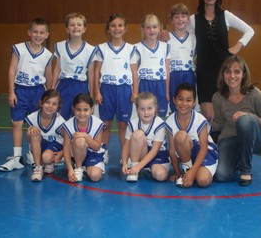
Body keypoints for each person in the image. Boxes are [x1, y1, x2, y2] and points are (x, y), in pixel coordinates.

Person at [161, 0, 254, 121]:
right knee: (208, 115)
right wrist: (164, 37)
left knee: (224, 113)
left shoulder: (226, 16)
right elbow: (179, 30)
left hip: (224, 69)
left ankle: (222, 141)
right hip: (204, 71)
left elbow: (249, 30)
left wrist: (238, 46)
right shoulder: (194, 19)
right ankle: (207, 141)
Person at [0, 17, 53, 172]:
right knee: (17, 123)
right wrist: (11, 91)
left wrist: (49, 98)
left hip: (38, 92)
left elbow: (48, 76)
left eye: (41, 32)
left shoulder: (48, 55)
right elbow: (12, 69)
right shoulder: (19, 48)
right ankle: (16, 157)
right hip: (20, 90)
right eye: (35, 31)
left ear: (46, 35)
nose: (38, 35)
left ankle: (31, 153)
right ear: (29, 32)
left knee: (35, 125)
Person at [211, 55, 261, 186]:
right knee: (221, 175)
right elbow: (220, 124)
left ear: (244, 74)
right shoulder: (217, 97)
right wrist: (200, 124)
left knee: (244, 120)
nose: (232, 76)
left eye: (237, 71)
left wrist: (249, 116)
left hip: (255, 138)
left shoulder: (255, 94)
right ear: (223, 74)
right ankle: (237, 159)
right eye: (228, 71)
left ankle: (246, 170)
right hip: (229, 137)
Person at [93, 14, 138, 160]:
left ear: (125, 29)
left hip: (124, 89)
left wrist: (135, 91)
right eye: (113, 25)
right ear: (108, 29)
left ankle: (125, 156)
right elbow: (96, 71)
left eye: (120, 25)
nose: (116, 28)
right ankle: (104, 151)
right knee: (105, 123)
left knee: (123, 124)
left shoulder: (131, 49)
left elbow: (134, 72)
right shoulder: (101, 48)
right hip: (107, 89)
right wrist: (96, 91)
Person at [165, 83, 218, 188]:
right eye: (180, 99)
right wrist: (177, 172)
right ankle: (186, 169)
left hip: (205, 153)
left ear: (194, 103)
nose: (184, 103)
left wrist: (193, 172)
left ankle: (192, 171)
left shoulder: (200, 119)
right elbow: (171, 150)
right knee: (180, 136)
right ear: (174, 100)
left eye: (188, 100)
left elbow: (203, 149)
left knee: (203, 181)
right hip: (187, 155)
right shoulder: (170, 121)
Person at [52, 12, 97, 120]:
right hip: (63, 85)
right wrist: (52, 90)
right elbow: (57, 69)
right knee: (61, 117)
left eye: (79, 24)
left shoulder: (90, 50)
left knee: (80, 118)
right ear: (67, 29)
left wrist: (91, 96)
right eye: (72, 25)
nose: (76, 27)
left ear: (84, 29)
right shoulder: (60, 46)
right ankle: (62, 137)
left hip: (81, 86)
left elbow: (91, 74)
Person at [121, 92, 170, 182]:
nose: (146, 112)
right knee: (137, 134)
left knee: (160, 176)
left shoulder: (160, 124)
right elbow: (126, 146)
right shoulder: (132, 123)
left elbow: (155, 150)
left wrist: (139, 167)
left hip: (157, 155)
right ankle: (134, 169)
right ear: (137, 109)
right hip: (141, 154)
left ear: (155, 108)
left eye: (149, 108)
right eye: (142, 109)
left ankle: (144, 167)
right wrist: (124, 163)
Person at [62, 93, 107, 182]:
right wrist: (70, 169)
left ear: (92, 110)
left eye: (86, 110)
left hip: (94, 153)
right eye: (78, 109)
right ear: (73, 109)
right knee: (80, 140)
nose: (82, 113)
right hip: (77, 153)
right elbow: (66, 149)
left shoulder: (98, 124)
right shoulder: (68, 125)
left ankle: (87, 166)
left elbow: (97, 147)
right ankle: (78, 167)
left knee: (95, 176)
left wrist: (86, 136)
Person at [25, 89, 65, 182]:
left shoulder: (60, 121)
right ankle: (38, 167)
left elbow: (68, 140)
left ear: (58, 106)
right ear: (41, 103)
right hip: (39, 144)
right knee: (33, 133)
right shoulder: (34, 116)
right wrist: (30, 130)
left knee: (46, 157)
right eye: (47, 102)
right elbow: (28, 139)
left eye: (54, 104)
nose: (50, 106)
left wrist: (62, 153)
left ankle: (49, 162)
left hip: (55, 146)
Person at [135, 14, 171, 117]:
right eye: (148, 27)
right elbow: (133, 71)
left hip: (160, 84)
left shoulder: (166, 47)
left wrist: (167, 91)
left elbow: (167, 71)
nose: (152, 30)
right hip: (144, 83)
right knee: (144, 113)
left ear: (159, 28)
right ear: (143, 29)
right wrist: (135, 91)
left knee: (160, 114)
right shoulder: (136, 48)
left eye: (154, 27)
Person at [167, 4, 197, 113]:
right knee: (175, 104)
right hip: (173, 74)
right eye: (176, 17)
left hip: (189, 74)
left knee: (188, 103)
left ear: (188, 19)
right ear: (171, 20)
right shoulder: (167, 38)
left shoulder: (194, 37)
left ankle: (187, 128)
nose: (180, 19)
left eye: (183, 16)